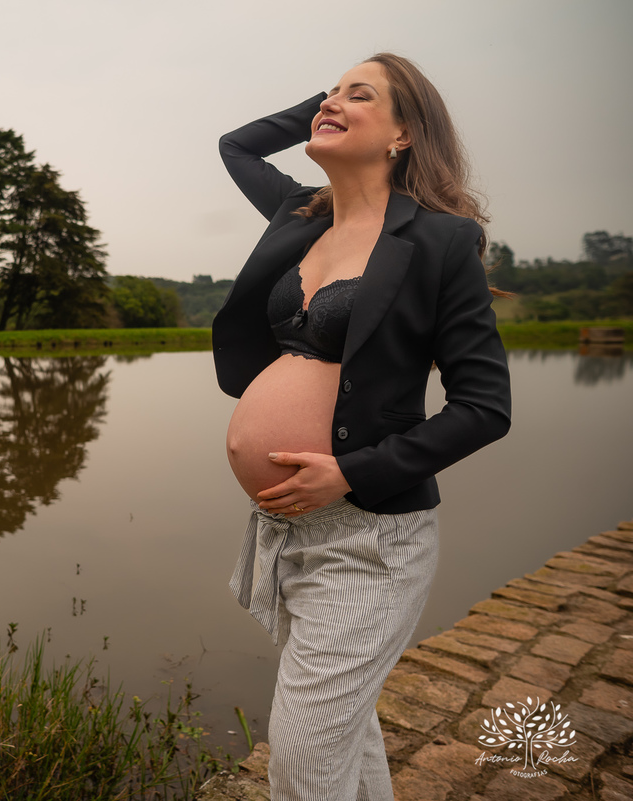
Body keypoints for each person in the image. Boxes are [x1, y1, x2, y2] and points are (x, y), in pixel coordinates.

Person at [212, 53, 511, 800]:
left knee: (304, 761)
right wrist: (329, 106)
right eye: (329, 91)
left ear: (405, 132)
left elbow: (485, 406)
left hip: (369, 538)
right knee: (344, 735)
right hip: (286, 531)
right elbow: (237, 145)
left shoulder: (439, 241)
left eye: (361, 94)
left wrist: (350, 471)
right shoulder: (299, 214)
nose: (333, 101)